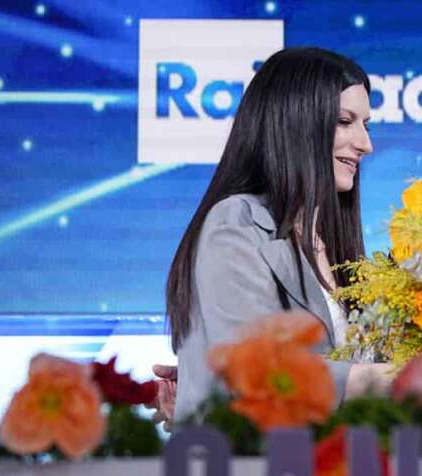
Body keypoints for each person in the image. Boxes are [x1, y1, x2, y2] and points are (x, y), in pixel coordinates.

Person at [150, 75, 422, 427]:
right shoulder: (411, 264)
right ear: (295, 125)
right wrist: (208, 380)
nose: (366, 143)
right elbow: (270, 368)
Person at [159, 47, 393, 425]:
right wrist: (395, 379)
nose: (365, 143)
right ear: (296, 123)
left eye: (366, 125)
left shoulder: (336, 244)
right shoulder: (234, 223)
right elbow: (255, 371)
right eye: (344, 122)